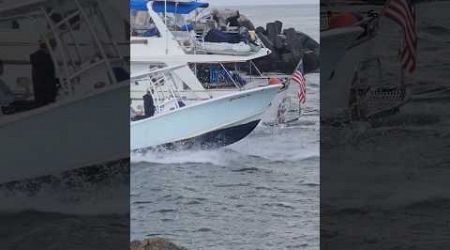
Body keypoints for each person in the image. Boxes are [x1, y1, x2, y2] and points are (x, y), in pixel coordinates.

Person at [30, 41, 58, 106]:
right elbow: (48, 78)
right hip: (46, 98)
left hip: (42, 97)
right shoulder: (44, 59)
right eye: (53, 47)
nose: (54, 49)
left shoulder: (38, 58)